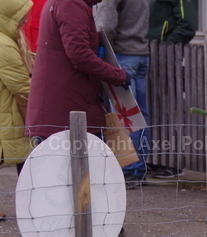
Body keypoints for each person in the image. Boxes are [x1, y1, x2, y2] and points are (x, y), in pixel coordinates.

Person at [25, 0, 129, 140]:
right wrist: (117, 76)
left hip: (63, 107)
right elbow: (79, 54)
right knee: (80, 159)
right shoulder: (71, 4)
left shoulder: (67, 3)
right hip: (67, 109)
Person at [94, 0, 150, 189]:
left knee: (124, 117)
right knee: (138, 116)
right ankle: (138, 169)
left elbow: (105, 24)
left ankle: (128, 170)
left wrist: (97, 48)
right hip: (140, 53)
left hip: (121, 55)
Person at [145, 0, 194, 181]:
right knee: (153, 106)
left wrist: (167, 43)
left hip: (166, 52)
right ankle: (155, 158)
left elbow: (188, 24)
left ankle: (172, 163)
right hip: (148, 50)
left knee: (168, 108)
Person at [0, 0, 31, 222]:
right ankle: (31, 206)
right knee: (25, 158)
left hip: (6, 111)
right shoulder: (3, 44)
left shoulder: (6, 41)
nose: (26, 19)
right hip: (8, 113)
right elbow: (21, 84)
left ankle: (30, 205)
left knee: (24, 158)